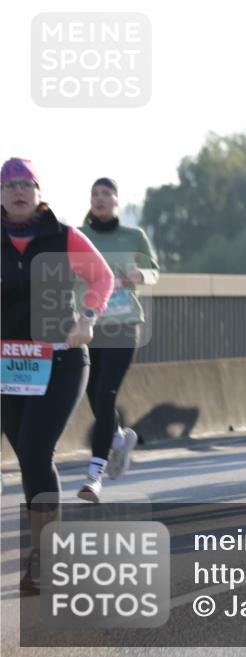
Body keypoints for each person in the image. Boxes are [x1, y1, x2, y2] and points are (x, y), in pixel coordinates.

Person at [1, 158, 114, 592]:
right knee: (30, 458)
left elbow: (101, 278)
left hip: (62, 359)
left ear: (38, 190)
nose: (18, 191)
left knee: (34, 447)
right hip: (10, 364)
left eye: (25, 183)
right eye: (9, 184)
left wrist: (87, 316)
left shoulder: (63, 235)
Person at [75, 177, 159, 502]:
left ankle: (94, 475)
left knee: (107, 393)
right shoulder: (79, 237)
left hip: (124, 324)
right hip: (90, 324)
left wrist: (141, 275)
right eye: (95, 193)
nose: (100, 198)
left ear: (116, 201)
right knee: (95, 397)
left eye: (106, 193)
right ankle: (120, 435)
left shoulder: (133, 236)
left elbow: (154, 271)